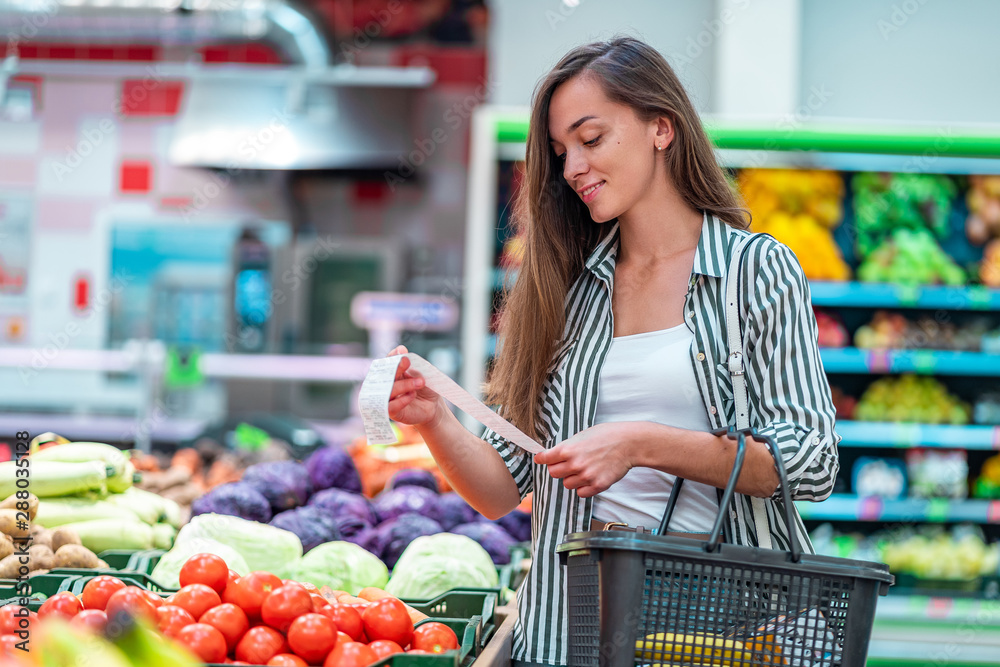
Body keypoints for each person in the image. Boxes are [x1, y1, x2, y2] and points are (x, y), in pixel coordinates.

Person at [387, 36, 839, 667]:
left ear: (661, 128)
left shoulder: (755, 272)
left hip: (724, 628)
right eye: (560, 151)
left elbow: (812, 461)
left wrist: (639, 443)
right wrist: (433, 419)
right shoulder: (564, 292)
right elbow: (501, 490)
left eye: (591, 139)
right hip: (573, 630)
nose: (572, 166)